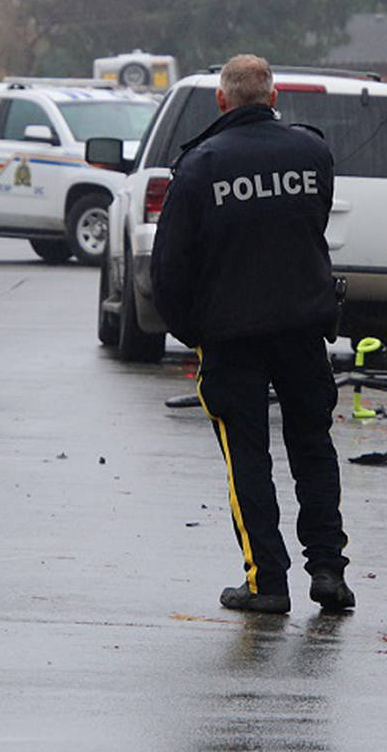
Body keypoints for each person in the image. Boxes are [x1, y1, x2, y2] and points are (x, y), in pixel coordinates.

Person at [151, 54, 354, 614]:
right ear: (273, 95)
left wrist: (192, 332)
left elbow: (168, 268)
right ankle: (329, 572)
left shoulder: (198, 166)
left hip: (231, 338)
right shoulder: (312, 153)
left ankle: (267, 582)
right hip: (302, 330)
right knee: (313, 445)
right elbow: (313, 220)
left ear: (221, 100)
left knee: (247, 455)